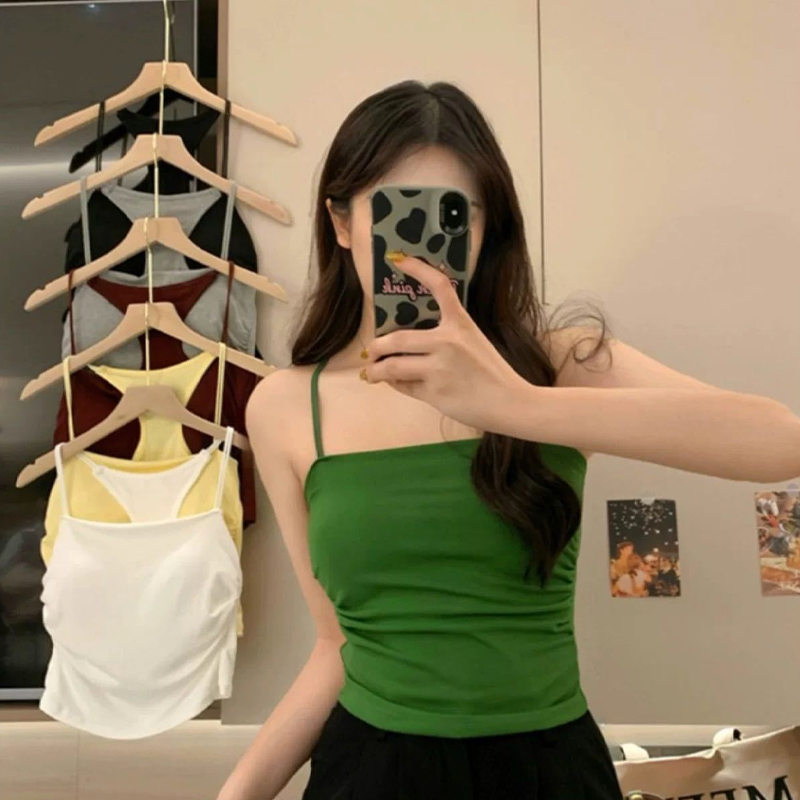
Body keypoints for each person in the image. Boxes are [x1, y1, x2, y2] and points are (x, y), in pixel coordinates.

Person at [219, 80, 624, 800]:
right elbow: (336, 645)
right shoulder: (285, 406)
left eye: (452, 215)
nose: (419, 247)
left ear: (487, 228)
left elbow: (781, 442)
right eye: (392, 211)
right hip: (372, 772)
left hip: (551, 773)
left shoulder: (560, 363)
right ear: (342, 223)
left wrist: (521, 405)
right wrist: (239, 791)